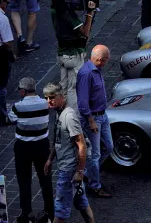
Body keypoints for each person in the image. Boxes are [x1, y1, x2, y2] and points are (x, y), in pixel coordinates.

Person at [43, 83, 96, 223]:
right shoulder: (58, 113)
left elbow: (82, 146)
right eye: (47, 98)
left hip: (69, 170)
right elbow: (58, 141)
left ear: (61, 97)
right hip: (68, 168)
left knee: (60, 211)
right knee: (82, 204)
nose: (49, 101)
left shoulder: (69, 117)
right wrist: (50, 159)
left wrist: (79, 171)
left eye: (52, 97)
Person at [9, 77, 55, 223]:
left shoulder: (17, 106)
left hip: (23, 147)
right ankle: (50, 210)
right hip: (42, 145)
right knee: (45, 178)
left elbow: (11, 119)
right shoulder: (44, 103)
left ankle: (26, 213)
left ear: (22, 91)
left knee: (24, 180)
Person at [76, 45, 112, 199]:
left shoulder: (95, 70)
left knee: (109, 147)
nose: (105, 63)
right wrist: (91, 120)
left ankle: (90, 173)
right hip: (94, 118)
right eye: (105, 61)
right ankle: (94, 185)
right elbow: (82, 102)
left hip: (102, 115)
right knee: (95, 154)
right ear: (99, 59)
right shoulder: (87, 73)